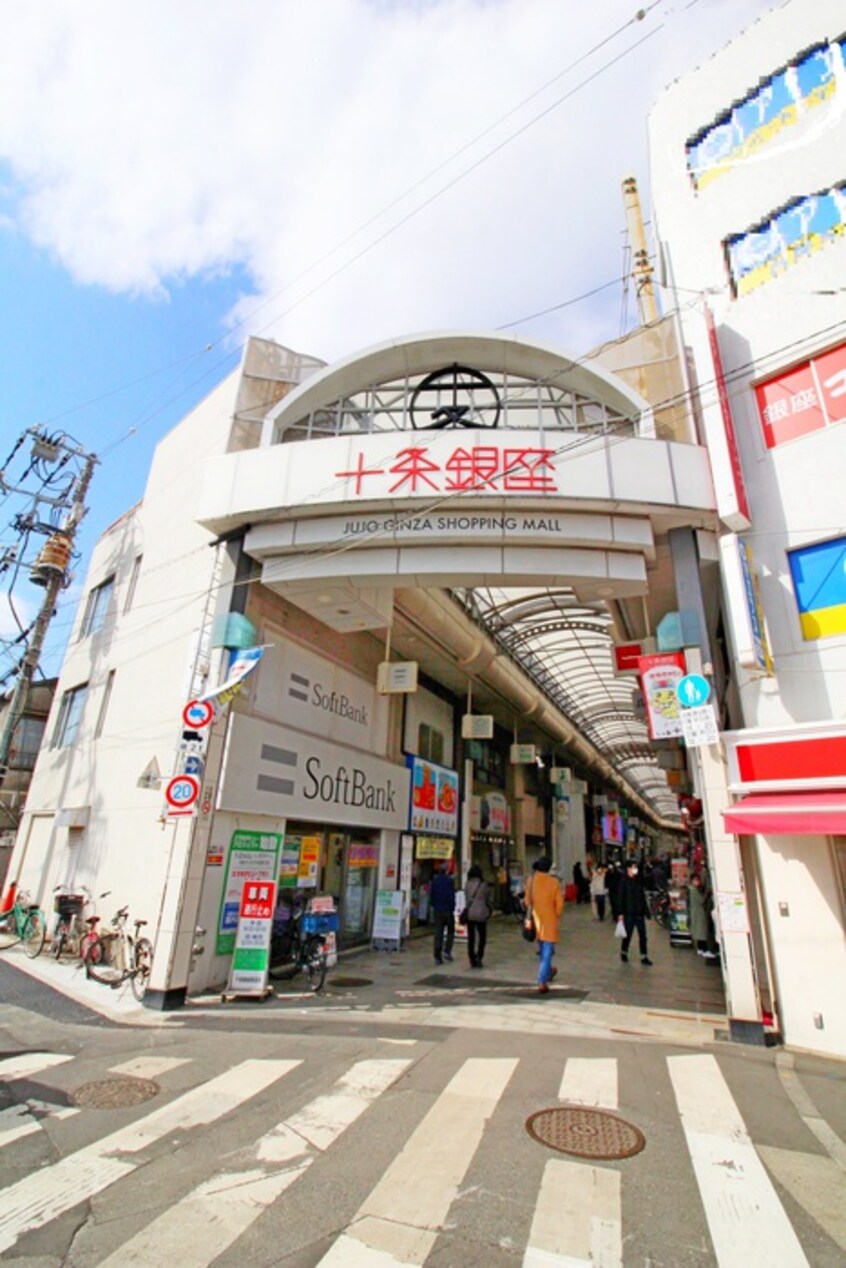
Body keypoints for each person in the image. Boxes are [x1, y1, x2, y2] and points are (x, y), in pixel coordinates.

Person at [525, 856, 564, 993]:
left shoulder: (531, 880)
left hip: (536, 920)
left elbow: (527, 901)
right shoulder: (554, 883)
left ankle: (548, 972)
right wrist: (555, 914)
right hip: (549, 920)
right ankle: (542, 980)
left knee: (543, 948)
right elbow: (559, 905)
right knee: (547, 951)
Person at [617, 858, 652, 966]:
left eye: (636, 867)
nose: (635, 869)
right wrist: (620, 913)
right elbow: (620, 898)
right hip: (629, 913)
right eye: (633, 867)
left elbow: (642, 897)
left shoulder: (638, 881)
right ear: (628, 868)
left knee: (643, 935)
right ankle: (624, 952)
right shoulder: (623, 882)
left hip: (639, 913)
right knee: (628, 935)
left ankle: (644, 956)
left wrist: (647, 911)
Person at [463, 863, 491, 968]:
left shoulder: (467, 884)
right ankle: (479, 956)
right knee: (482, 937)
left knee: (471, 937)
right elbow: (487, 897)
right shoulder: (483, 885)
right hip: (481, 914)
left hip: (470, 913)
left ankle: (471, 958)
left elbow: (466, 897)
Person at [430, 862, 455, 964]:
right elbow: (451, 896)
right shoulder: (449, 881)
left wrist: (434, 905)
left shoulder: (435, 881)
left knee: (438, 933)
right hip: (448, 910)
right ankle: (447, 950)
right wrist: (452, 907)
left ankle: (437, 956)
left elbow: (432, 896)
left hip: (438, 910)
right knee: (450, 931)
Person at [688, 873, 718, 959]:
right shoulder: (693, 890)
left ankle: (700, 948)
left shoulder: (692, 889)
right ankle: (704, 949)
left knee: (699, 930)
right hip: (698, 912)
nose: (698, 882)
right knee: (702, 931)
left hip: (696, 912)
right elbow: (701, 901)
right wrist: (707, 894)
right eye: (696, 880)